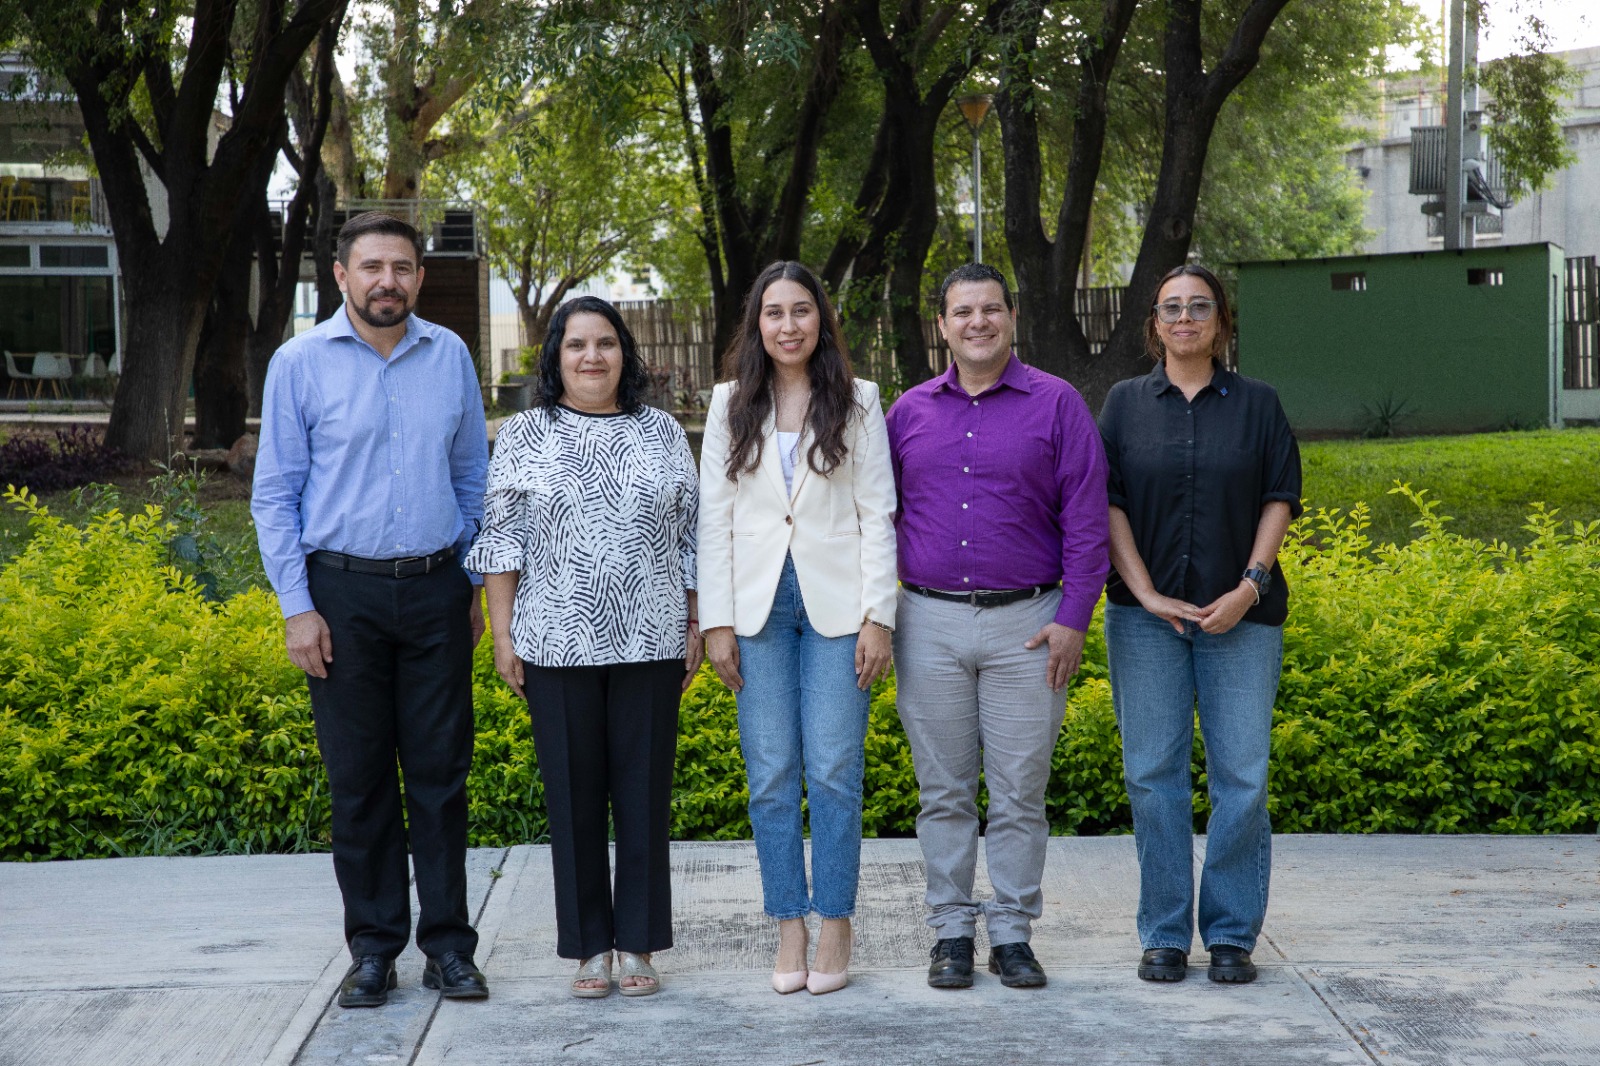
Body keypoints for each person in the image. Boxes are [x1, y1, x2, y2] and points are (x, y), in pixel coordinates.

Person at [253, 211, 490, 1008]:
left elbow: (473, 482)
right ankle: (375, 948)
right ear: (342, 276)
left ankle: (450, 947)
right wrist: (297, 607)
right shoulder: (299, 362)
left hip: (435, 590)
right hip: (340, 595)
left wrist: (471, 584)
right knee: (357, 782)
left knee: (440, 776)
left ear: (419, 278)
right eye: (372, 267)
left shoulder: (450, 355)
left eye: (401, 267)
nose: (387, 280)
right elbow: (275, 494)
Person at [469, 295, 700, 999]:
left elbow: (691, 539)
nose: (592, 357)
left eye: (605, 343)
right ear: (555, 357)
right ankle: (587, 950)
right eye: (576, 345)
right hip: (555, 643)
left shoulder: (661, 431)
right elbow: (502, 540)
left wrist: (695, 624)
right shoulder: (522, 434)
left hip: (652, 640)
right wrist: (504, 635)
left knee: (643, 799)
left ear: (624, 353)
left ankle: (637, 945)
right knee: (573, 801)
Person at [886, 263, 1109, 990]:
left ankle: (1012, 933)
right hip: (929, 623)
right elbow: (870, 519)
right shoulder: (908, 413)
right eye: (962, 312)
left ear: (1011, 317)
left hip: (1031, 625)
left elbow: (1085, 520)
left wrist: (1074, 618)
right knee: (943, 791)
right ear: (941, 326)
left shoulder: (1058, 404)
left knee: (1019, 790)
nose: (976, 322)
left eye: (990, 309)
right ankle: (951, 931)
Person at [1098, 263, 1302, 985]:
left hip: (1240, 622)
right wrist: (1146, 592)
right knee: (1153, 777)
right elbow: (1109, 501)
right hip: (1145, 622)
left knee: (1241, 778)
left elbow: (1280, 494)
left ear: (1221, 321)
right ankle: (1161, 933)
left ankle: (1230, 935)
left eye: (1199, 306)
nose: (1184, 318)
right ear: (1155, 324)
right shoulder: (1123, 405)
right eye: (1171, 308)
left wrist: (1250, 586)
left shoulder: (1259, 404)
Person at [698, 261, 896, 997]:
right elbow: (712, 518)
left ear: (821, 320)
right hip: (757, 612)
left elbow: (878, 514)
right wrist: (717, 621)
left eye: (801, 312)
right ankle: (788, 922)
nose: (788, 326)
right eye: (774, 313)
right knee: (773, 773)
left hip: (839, 609)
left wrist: (881, 615)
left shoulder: (860, 400)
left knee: (836, 769)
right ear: (757, 323)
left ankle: (836, 921)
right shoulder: (729, 404)